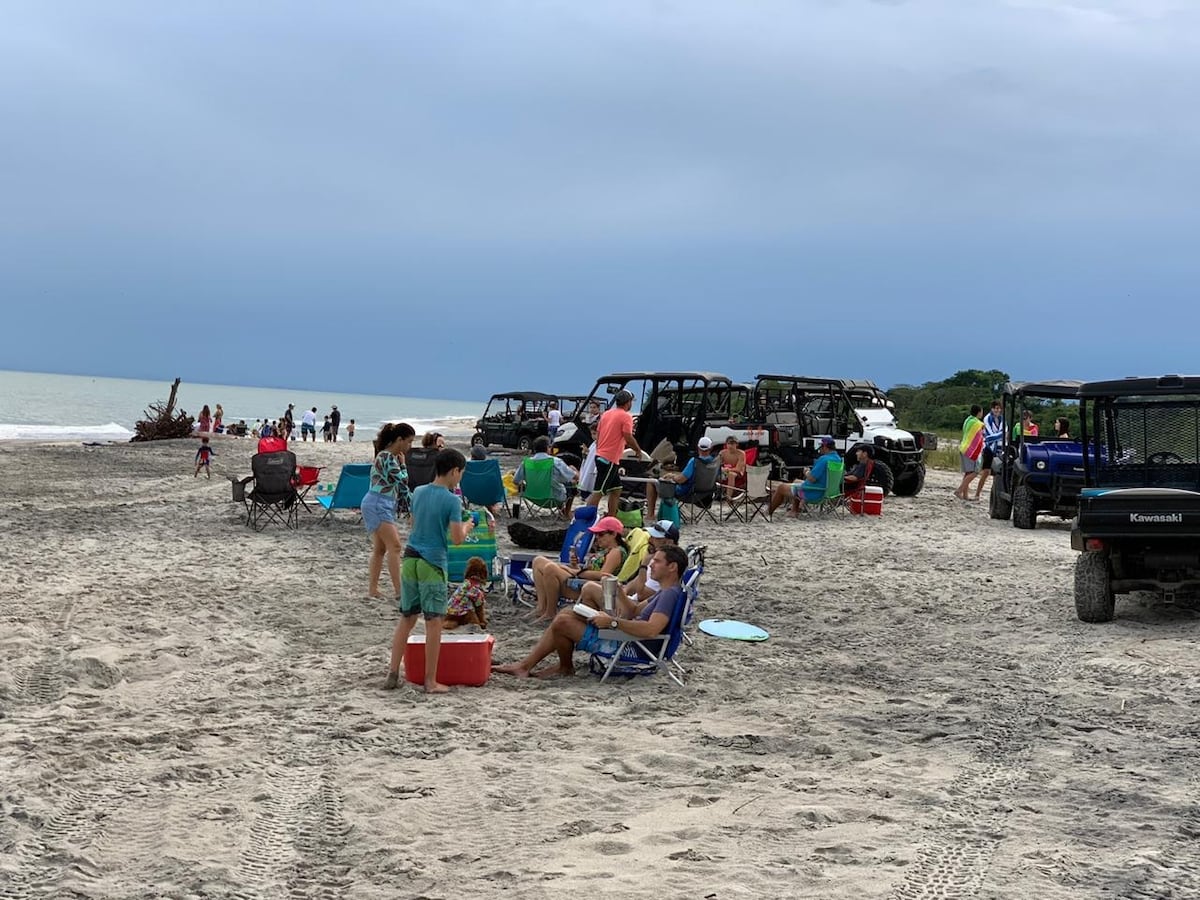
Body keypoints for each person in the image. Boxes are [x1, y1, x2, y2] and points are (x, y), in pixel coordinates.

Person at [492, 545, 688, 679]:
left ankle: (552, 667)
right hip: (629, 637)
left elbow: (651, 629)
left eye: (657, 562)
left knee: (563, 623)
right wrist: (619, 592)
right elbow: (634, 610)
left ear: (672, 567)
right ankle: (535, 666)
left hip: (633, 646)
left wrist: (611, 622)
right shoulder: (665, 592)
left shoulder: (668, 595)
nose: (651, 565)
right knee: (568, 614)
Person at [385, 448, 473, 693]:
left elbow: (414, 523)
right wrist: (468, 525)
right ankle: (430, 681)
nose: (460, 478)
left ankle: (393, 672)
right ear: (455, 471)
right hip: (432, 563)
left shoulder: (419, 492)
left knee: (407, 619)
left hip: (410, 559)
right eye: (461, 474)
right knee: (434, 623)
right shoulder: (452, 500)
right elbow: (456, 539)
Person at [528, 515, 628, 621]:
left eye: (601, 534)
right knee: (538, 561)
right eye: (596, 534)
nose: (597, 538)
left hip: (587, 585)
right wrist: (575, 565)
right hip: (581, 578)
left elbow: (604, 575)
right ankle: (541, 608)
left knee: (550, 568)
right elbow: (591, 569)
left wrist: (577, 571)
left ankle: (550, 612)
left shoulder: (616, 552)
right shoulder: (605, 550)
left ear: (613, 534)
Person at [363, 422, 417, 602]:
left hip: (381, 503)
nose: (410, 447)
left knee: (380, 549)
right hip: (378, 504)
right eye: (409, 442)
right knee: (395, 546)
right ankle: (400, 591)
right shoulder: (386, 457)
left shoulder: (387, 457)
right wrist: (404, 465)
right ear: (399, 440)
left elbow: (402, 491)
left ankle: (373, 589)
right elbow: (402, 481)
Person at [577, 519, 680, 610]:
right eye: (650, 536)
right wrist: (624, 591)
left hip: (634, 608)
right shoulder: (658, 559)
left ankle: (594, 629)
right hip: (630, 601)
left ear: (669, 542)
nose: (649, 540)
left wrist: (644, 565)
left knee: (589, 588)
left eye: (655, 538)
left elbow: (641, 595)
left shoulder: (666, 567)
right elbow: (637, 581)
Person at [588, 390, 646, 517]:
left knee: (616, 489)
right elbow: (628, 436)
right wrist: (638, 450)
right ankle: (586, 519)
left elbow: (599, 434)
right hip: (609, 458)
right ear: (628, 402)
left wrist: (599, 450)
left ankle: (611, 516)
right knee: (599, 491)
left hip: (602, 456)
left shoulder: (607, 414)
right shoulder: (626, 416)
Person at [768, 436, 841, 517]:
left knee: (781, 487)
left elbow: (812, 479)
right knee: (796, 482)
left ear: (825, 447)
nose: (820, 450)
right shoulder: (838, 459)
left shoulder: (824, 459)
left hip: (814, 493)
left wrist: (806, 472)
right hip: (829, 492)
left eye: (821, 447)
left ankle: (769, 511)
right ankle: (794, 510)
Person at [646, 436, 718, 518]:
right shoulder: (715, 462)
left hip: (687, 493)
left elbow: (681, 480)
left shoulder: (695, 461)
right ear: (711, 448)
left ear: (698, 447)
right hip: (706, 494)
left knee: (651, 481)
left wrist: (671, 476)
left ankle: (650, 515)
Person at [513, 435, 579, 520]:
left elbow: (515, 481)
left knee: (558, 484)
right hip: (554, 498)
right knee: (571, 485)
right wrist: (574, 470)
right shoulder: (555, 461)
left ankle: (562, 510)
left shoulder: (526, 462)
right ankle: (566, 512)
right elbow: (574, 477)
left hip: (532, 497)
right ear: (548, 447)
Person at [444, 556, 489, 630]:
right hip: (462, 614)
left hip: (449, 612)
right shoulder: (475, 589)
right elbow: (479, 607)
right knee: (476, 618)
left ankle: (451, 622)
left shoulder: (465, 584)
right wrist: (482, 620)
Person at [975, 400, 1004, 501]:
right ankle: (977, 494)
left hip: (1000, 448)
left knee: (999, 472)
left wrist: (999, 436)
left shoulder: (1003, 420)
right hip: (988, 448)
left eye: (999, 408)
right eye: (996, 408)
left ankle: (995, 495)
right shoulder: (987, 418)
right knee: (986, 471)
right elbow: (989, 435)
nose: (998, 410)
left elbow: (1004, 432)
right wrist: (1000, 435)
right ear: (992, 409)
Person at [956, 405, 985, 501]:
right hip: (970, 450)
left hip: (963, 447)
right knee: (974, 472)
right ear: (979, 412)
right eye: (981, 411)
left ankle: (965, 495)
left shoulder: (968, 420)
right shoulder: (977, 423)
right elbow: (981, 435)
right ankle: (959, 490)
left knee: (968, 472)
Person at [718, 436, 748, 502]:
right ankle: (714, 495)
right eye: (728, 444)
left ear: (736, 444)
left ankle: (728, 497)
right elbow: (716, 465)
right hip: (725, 471)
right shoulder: (722, 453)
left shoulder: (741, 454)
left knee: (731, 475)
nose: (730, 446)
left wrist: (727, 470)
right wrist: (722, 469)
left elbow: (738, 469)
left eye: (732, 444)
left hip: (737, 473)